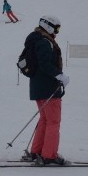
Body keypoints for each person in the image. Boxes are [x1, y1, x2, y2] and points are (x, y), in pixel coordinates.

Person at [25, 15, 69, 166]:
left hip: (39, 88)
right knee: (53, 121)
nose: (57, 31)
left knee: (45, 120)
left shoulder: (37, 40)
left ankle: (37, 151)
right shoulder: (44, 42)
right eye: (56, 28)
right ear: (48, 26)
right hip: (48, 88)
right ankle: (49, 155)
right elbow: (44, 65)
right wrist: (60, 75)